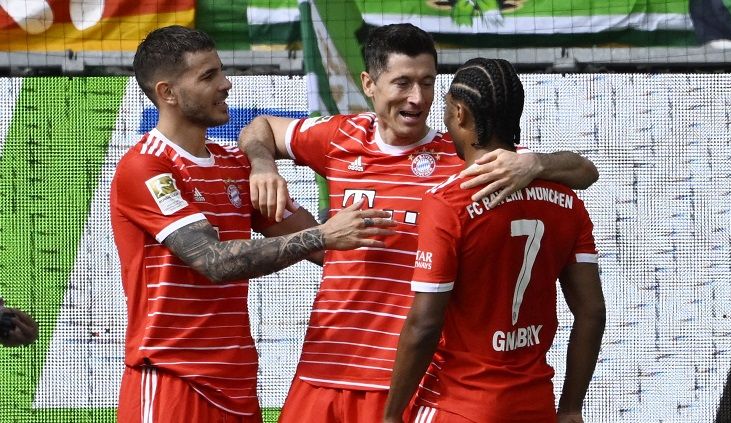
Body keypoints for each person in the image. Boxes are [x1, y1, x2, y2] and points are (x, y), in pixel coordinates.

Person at [238, 24, 599, 422]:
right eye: (403, 82)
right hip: (323, 370)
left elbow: (584, 172)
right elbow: (261, 128)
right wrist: (262, 165)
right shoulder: (341, 136)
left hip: (403, 384)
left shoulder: (465, 158)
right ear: (369, 84)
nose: (417, 98)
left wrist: (537, 162)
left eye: (428, 83)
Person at [111, 25, 394, 423]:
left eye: (221, 71)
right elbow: (214, 262)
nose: (226, 84)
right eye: (208, 76)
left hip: (237, 385)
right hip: (171, 381)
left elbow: (325, 250)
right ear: (167, 93)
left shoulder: (233, 165)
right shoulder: (147, 166)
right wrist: (323, 233)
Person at [382, 58, 606, 423]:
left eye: (445, 110)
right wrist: (570, 408)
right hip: (536, 406)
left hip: (458, 404)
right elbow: (592, 312)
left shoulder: (447, 203)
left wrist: (390, 416)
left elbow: (424, 325)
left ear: (459, 113)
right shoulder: (567, 199)